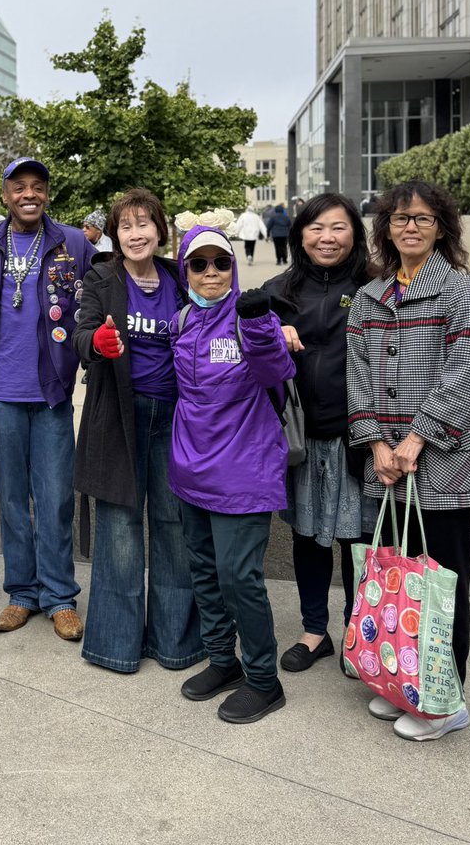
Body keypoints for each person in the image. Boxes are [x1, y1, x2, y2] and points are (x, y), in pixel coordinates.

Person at [346, 180, 470, 741]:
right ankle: (401, 681)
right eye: (400, 219)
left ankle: (443, 698)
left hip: (443, 462)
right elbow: (356, 375)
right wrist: (377, 443)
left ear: (442, 227)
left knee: (440, 580)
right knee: (397, 580)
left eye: (423, 219)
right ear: (386, 228)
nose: (410, 227)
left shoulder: (459, 290)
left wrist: (418, 437)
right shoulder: (369, 296)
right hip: (386, 463)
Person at [0, 157, 95, 641]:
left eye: (37, 186)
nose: (28, 194)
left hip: (52, 393)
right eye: (19, 187)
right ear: (5, 194)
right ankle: (21, 593)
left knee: (55, 498)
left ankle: (60, 597)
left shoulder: (73, 242)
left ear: (47, 194)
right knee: (12, 498)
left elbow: (102, 295)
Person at [73, 189, 204, 674]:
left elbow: (216, 316)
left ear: (160, 229)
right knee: (121, 531)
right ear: (114, 233)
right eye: (125, 225)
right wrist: (98, 342)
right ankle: (116, 645)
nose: (135, 233)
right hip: (119, 419)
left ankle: (175, 643)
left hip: (176, 421)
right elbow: (82, 333)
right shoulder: (101, 276)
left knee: (173, 528)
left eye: (144, 223)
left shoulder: (177, 274)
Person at [171, 219, 295, 724]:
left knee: (238, 576)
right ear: (185, 270)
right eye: (198, 264)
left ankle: (264, 680)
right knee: (204, 570)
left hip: (245, 468)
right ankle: (224, 660)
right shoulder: (180, 321)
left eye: (221, 262)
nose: (211, 272)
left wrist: (264, 325)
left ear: (234, 267)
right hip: (190, 468)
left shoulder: (249, 317)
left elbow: (276, 373)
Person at [263, 194, 375, 674]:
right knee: (308, 538)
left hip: (362, 437)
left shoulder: (378, 285)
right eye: (315, 228)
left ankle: (359, 633)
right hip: (301, 437)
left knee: (360, 540)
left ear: (356, 233)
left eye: (338, 228)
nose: (326, 238)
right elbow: (244, 339)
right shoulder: (277, 290)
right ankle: (314, 633)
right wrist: (272, 329)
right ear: (300, 234)